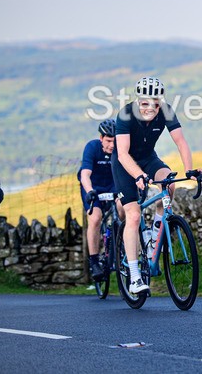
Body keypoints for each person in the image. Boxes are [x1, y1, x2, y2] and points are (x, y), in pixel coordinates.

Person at [112, 77, 201, 295]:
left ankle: (154, 237)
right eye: (145, 103)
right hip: (125, 164)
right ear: (138, 101)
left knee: (169, 185)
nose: (150, 108)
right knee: (133, 215)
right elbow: (122, 153)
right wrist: (138, 175)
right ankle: (135, 277)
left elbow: (181, 142)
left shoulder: (166, 111)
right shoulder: (125, 114)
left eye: (155, 103)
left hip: (148, 159)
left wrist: (189, 170)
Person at [78, 118, 124, 281]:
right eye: (108, 141)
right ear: (101, 138)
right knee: (96, 218)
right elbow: (85, 174)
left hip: (113, 185)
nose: (112, 145)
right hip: (93, 187)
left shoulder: (121, 149)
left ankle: (122, 241)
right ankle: (94, 261)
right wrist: (89, 191)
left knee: (124, 208)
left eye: (115, 141)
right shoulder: (92, 147)